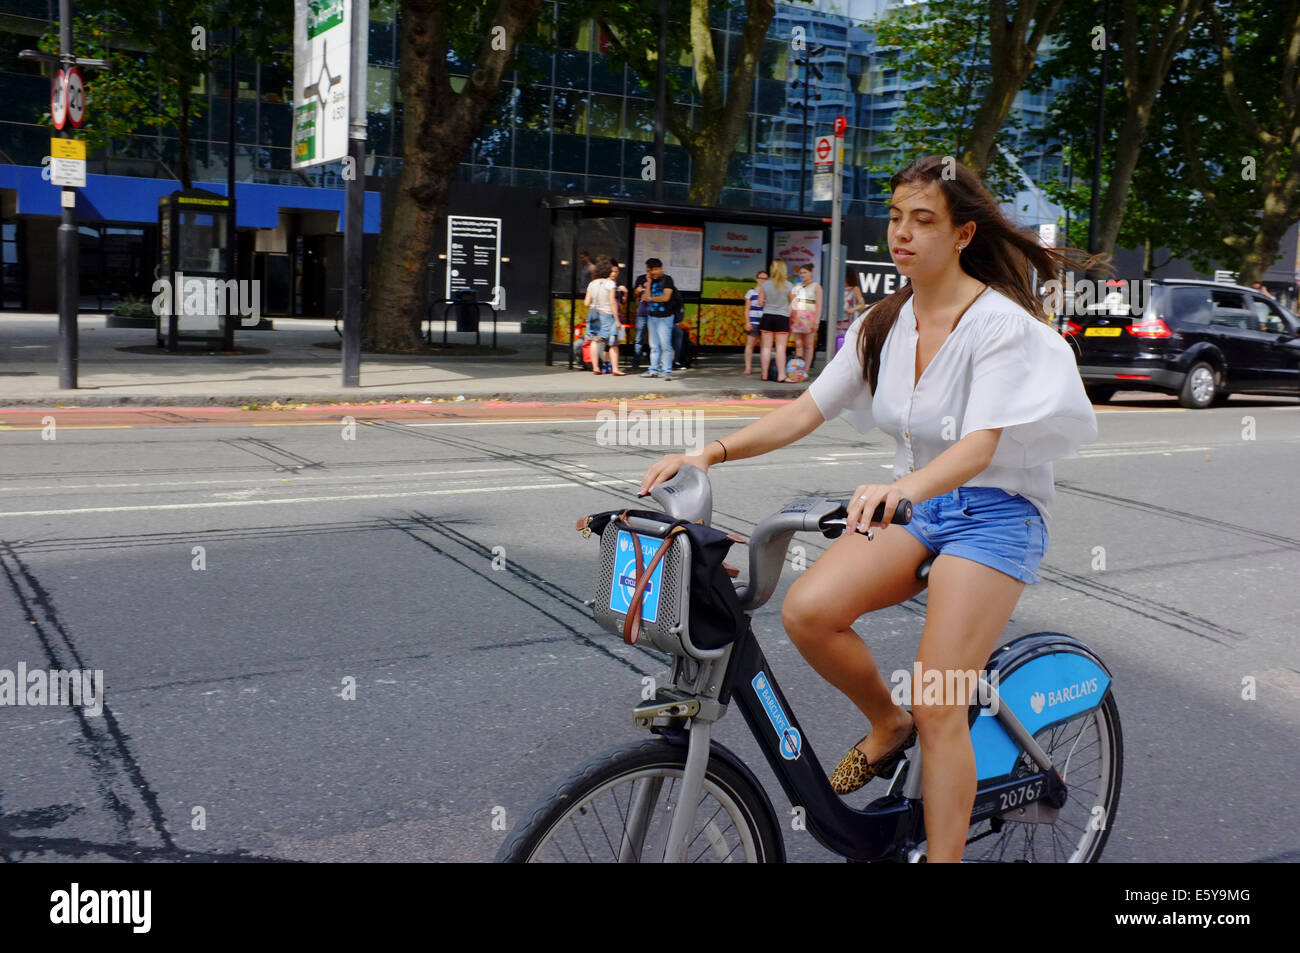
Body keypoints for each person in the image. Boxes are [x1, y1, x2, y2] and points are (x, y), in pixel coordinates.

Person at [638, 155, 1100, 862]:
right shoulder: (884, 323)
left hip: (995, 514)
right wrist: (711, 453)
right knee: (809, 610)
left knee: (942, 696)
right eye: (895, 218)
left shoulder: (999, 326)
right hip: (920, 509)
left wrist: (904, 489)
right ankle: (889, 722)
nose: (902, 234)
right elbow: (805, 412)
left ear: (963, 235)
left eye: (923, 221)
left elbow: (979, 446)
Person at [638, 258, 677, 381]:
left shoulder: (668, 280)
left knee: (665, 345)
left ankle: (667, 371)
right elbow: (645, 296)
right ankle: (653, 370)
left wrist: (650, 298)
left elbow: (665, 297)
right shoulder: (651, 281)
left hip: (665, 317)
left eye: (655, 269)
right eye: (650, 270)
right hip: (652, 316)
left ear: (661, 268)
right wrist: (648, 282)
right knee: (654, 346)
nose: (653, 272)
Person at [583, 260, 625, 375]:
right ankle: (615, 369)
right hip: (607, 315)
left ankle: (596, 368)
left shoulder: (592, 284)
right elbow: (612, 303)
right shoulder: (610, 284)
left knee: (595, 341)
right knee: (613, 343)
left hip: (593, 314)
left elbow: (586, 303)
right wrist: (617, 320)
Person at [758, 260, 793, 382]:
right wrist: (788, 310)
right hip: (782, 317)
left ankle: (764, 375)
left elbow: (760, 302)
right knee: (780, 348)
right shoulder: (789, 285)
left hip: (767, 316)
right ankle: (781, 375)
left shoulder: (765, 285)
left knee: (766, 347)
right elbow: (794, 302)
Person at [789, 264, 822, 374]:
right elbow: (793, 302)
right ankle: (798, 369)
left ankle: (806, 370)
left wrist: (816, 321)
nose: (802, 275)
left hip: (810, 318)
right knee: (798, 344)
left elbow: (819, 305)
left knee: (808, 344)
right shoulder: (797, 286)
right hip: (798, 317)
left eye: (805, 272)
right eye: (801, 272)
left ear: (811, 272)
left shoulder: (816, 286)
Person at [743, 269, 768, 375]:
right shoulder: (750, 292)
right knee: (750, 345)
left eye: (765, 279)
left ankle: (764, 368)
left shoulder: (768, 293)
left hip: (765, 321)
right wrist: (747, 322)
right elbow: (747, 309)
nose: (763, 280)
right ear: (757, 279)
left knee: (764, 347)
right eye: (761, 278)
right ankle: (748, 368)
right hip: (753, 322)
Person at [843, 267, 867, 339]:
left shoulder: (855, 289)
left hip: (848, 320)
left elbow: (862, 304)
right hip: (836, 321)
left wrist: (852, 309)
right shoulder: (836, 287)